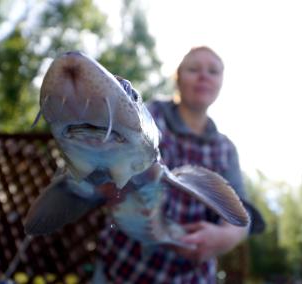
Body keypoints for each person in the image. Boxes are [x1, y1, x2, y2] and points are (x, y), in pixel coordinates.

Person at [93, 46, 264, 283]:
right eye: (193, 69)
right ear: (177, 79)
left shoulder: (225, 148)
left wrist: (223, 238)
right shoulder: (151, 114)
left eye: (213, 71)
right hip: (123, 267)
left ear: (221, 83)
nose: (203, 75)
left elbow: (240, 215)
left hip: (191, 276)